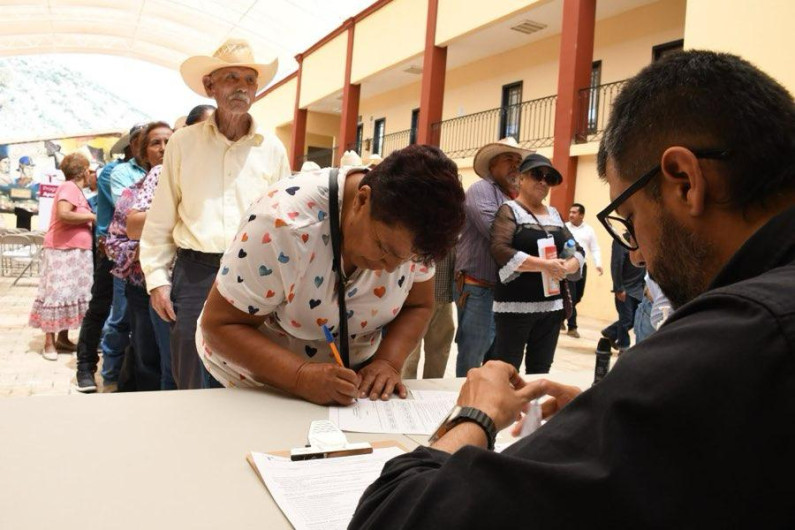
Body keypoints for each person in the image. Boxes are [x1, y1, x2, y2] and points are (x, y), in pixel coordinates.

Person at [350, 50, 795, 528]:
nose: (639, 254)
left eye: (630, 221)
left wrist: (475, 417)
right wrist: (608, 420)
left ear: (685, 183)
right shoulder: (494, 205)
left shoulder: (736, 338)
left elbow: (396, 517)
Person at [199, 145, 466, 404]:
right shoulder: (283, 224)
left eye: (407, 260)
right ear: (362, 200)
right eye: (383, 249)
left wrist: (388, 362)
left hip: (339, 388)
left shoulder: (414, 232)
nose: (391, 268)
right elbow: (220, 325)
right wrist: (299, 376)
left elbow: (418, 304)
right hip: (253, 383)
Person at [141, 38, 291, 390]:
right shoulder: (182, 142)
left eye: (249, 80)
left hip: (254, 274)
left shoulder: (271, 148)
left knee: (250, 375)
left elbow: (285, 220)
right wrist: (158, 280)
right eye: (231, 78)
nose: (241, 87)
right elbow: (161, 217)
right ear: (210, 86)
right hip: (194, 275)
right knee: (190, 375)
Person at [490, 154, 583, 374]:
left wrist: (565, 267)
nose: (543, 181)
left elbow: (577, 250)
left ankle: (532, 410)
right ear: (520, 179)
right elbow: (500, 250)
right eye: (536, 174)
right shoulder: (509, 210)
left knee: (541, 370)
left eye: (548, 178)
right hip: (515, 307)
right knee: (506, 369)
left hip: (552, 308)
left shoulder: (554, 214)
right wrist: (544, 265)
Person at [454, 137, 531, 376]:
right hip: (479, 289)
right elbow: (498, 235)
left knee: (494, 358)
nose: (516, 166)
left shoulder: (516, 199)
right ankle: (463, 405)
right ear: (492, 166)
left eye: (518, 161)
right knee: (472, 356)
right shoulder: (481, 190)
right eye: (509, 159)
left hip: (504, 292)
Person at [75, 123, 144, 393]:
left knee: (132, 315)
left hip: (139, 253)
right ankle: (86, 366)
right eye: (142, 141)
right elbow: (128, 210)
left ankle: (125, 372)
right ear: (131, 146)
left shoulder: (159, 171)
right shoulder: (114, 173)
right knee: (104, 309)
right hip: (112, 252)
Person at [106, 122, 174, 391]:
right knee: (147, 355)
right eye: (156, 143)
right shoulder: (131, 193)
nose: (164, 148)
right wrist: (139, 252)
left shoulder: (189, 189)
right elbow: (112, 242)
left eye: (169, 141)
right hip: (141, 286)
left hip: (178, 287)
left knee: (172, 359)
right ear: (143, 152)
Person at [29, 153, 96, 360]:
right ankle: (49, 342)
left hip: (75, 250)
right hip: (63, 250)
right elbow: (64, 214)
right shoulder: (68, 187)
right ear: (83, 170)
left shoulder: (75, 190)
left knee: (71, 293)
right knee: (56, 293)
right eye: (89, 170)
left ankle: (63, 338)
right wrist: (92, 216)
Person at [401, 249, 455, 379]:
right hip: (415, 296)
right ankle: (407, 389)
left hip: (443, 297)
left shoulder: (451, 232)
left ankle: (432, 391)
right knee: (410, 351)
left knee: (439, 350)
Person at [563, 202, 602, 338]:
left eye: (574, 212)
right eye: (570, 212)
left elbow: (595, 248)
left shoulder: (589, 230)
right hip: (567, 265)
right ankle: (572, 327)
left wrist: (598, 263)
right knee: (571, 296)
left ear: (582, 215)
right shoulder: (565, 228)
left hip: (581, 266)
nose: (571, 215)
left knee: (578, 296)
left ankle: (563, 313)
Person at [601, 239, 645, 352]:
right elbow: (616, 264)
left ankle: (611, 332)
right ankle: (623, 346)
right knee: (626, 319)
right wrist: (619, 288)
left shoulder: (643, 241)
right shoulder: (620, 242)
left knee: (636, 319)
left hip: (639, 288)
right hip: (625, 288)